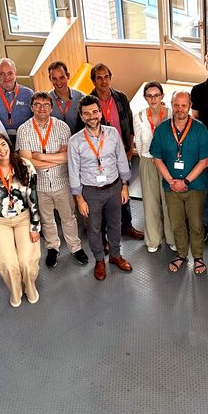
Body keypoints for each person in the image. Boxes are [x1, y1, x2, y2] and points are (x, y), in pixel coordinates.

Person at [16, 91, 88, 268]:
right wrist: (56, 158)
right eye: (38, 105)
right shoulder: (23, 130)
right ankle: (52, 248)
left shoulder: (62, 127)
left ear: (51, 107)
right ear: (31, 107)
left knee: (69, 218)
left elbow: (68, 157)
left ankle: (75, 247)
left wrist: (40, 156)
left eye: (46, 105)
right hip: (39, 185)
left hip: (62, 182)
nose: (42, 108)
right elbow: (26, 162)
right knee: (47, 220)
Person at [68, 94, 134, 281]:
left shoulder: (112, 133)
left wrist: (125, 185)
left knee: (115, 223)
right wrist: (79, 198)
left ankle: (115, 255)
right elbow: (73, 171)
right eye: (86, 113)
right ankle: (99, 260)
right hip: (91, 192)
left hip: (114, 187)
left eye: (94, 112)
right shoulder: (75, 141)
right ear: (81, 117)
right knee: (94, 228)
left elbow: (121, 160)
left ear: (100, 113)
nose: (91, 116)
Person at [150, 91, 208, 275]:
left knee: (196, 224)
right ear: (171, 105)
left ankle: (198, 257)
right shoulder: (162, 129)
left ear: (189, 106)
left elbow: (204, 161)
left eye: (184, 105)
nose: (180, 109)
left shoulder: (200, 129)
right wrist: (171, 181)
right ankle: (181, 254)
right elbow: (157, 159)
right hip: (171, 187)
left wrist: (185, 181)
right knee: (176, 224)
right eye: (176, 105)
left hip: (195, 186)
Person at [0, 132, 42, 307]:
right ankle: (16, 291)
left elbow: (33, 197)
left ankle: (30, 286)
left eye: (3, 145)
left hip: (23, 218)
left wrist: (35, 226)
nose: (1, 151)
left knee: (27, 261)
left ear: (9, 144)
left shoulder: (25, 165)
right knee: (8, 263)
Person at [90, 63, 145, 240]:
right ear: (93, 81)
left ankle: (126, 226)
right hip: (100, 158)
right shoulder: (89, 102)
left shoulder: (120, 97)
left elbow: (129, 125)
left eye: (106, 77)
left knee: (123, 190)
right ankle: (105, 233)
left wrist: (129, 150)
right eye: (99, 78)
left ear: (110, 78)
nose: (103, 81)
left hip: (122, 154)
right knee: (103, 195)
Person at [133, 82, 175, 253]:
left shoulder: (172, 114)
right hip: (148, 161)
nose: (153, 99)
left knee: (169, 201)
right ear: (145, 98)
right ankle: (153, 239)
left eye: (156, 95)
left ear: (162, 96)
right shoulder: (138, 116)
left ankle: (172, 238)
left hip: (168, 163)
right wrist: (149, 157)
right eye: (149, 96)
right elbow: (138, 143)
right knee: (150, 202)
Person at [0, 58, 33, 142]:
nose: (6, 77)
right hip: (0, 141)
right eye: (2, 74)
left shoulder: (28, 94)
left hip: (26, 140)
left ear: (15, 73)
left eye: (10, 73)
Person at [47, 61, 86, 132]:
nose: (58, 82)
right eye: (54, 79)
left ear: (68, 76)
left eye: (61, 78)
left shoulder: (81, 97)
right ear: (50, 78)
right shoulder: (46, 100)